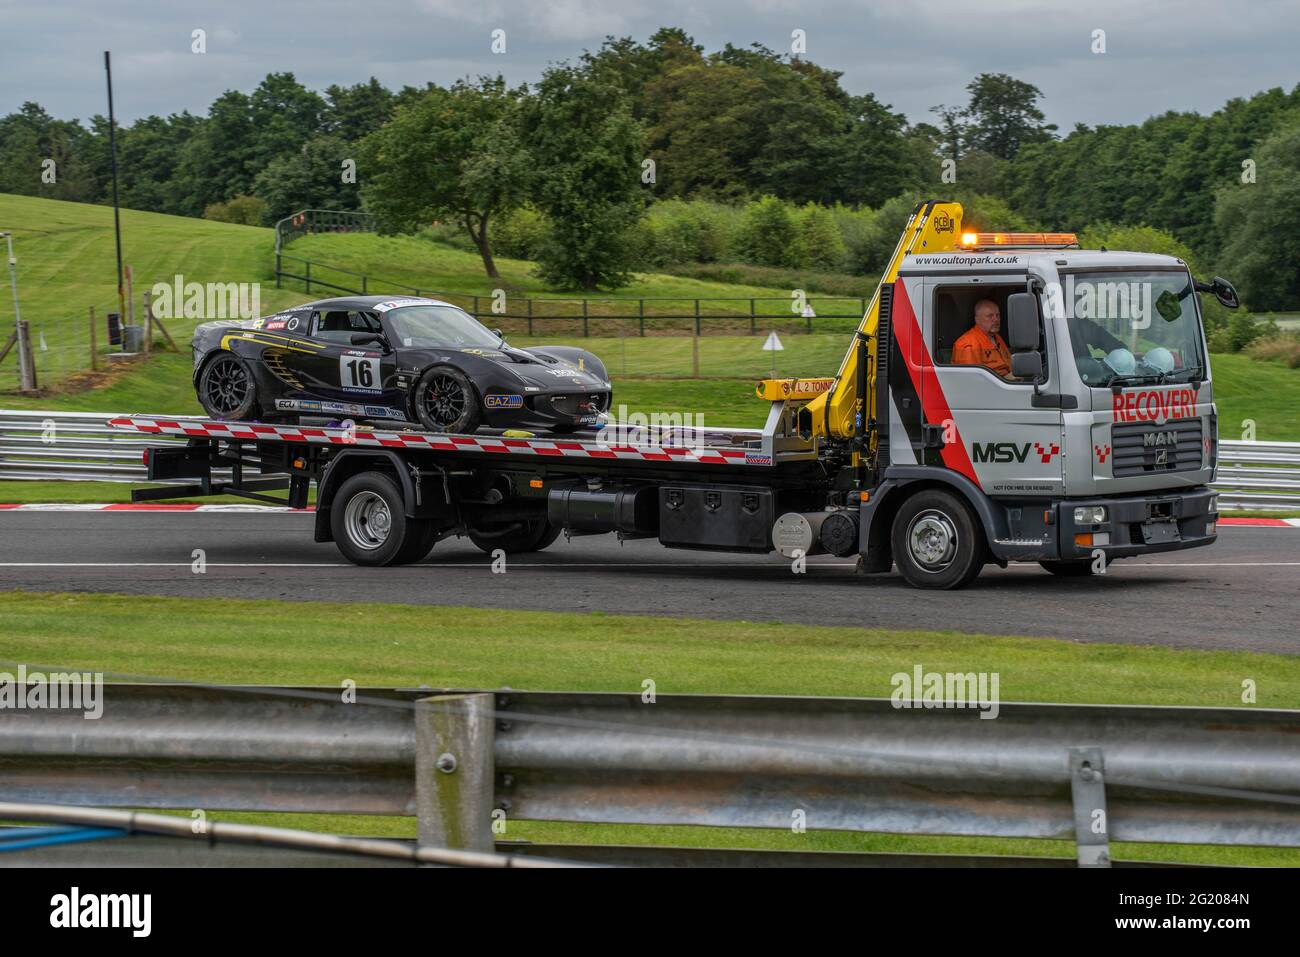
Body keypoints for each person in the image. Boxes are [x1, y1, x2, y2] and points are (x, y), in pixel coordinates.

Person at [952, 299, 1012, 377]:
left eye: (998, 315)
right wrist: (1007, 379)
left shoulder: (996, 337)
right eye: (990, 316)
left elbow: (1009, 364)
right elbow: (972, 380)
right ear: (977, 320)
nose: (996, 319)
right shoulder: (968, 344)